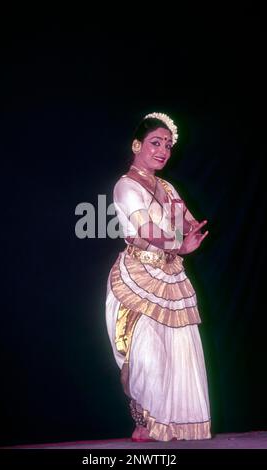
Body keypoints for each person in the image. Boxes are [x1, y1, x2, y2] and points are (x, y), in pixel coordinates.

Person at [105, 112, 212, 442]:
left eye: (167, 145)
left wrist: (187, 235)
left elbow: (185, 223)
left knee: (177, 349)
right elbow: (147, 230)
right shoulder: (126, 186)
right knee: (145, 354)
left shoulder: (167, 187)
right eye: (155, 142)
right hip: (138, 276)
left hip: (170, 274)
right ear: (137, 145)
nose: (163, 150)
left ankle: (170, 425)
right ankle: (143, 425)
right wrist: (180, 244)